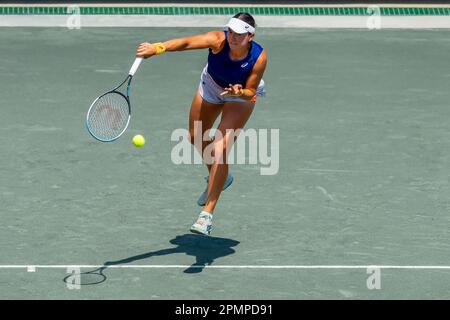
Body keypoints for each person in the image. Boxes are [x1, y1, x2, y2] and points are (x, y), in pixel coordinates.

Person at [136, 12, 267, 236]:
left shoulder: (259, 58)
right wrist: (158, 48)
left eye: (240, 35)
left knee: (219, 148)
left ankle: (206, 215)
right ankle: (221, 177)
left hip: (239, 96)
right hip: (211, 86)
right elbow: (186, 42)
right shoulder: (217, 40)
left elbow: (251, 91)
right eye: (231, 32)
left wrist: (240, 91)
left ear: (251, 36)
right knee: (196, 136)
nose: (233, 37)